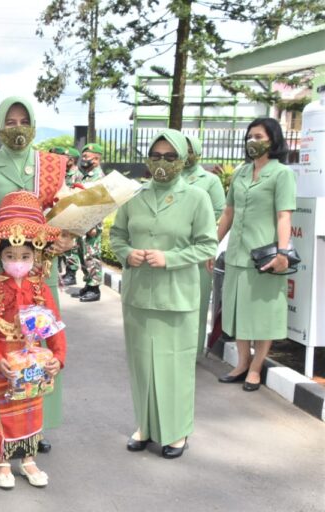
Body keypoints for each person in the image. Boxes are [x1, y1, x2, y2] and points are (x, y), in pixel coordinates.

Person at [0, 96, 73, 454]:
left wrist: (66, 237)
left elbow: (63, 217)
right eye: (9, 122)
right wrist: (6, 243)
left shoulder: (50, 166)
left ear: (34, 124)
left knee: (39, 350)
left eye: (22, 120)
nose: (17, 128)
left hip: (38, 275)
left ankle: (34, 429)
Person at [110, 129, 217, 459]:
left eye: (170, 157)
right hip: (139, 296)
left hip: (177, 297)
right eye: (156, 156)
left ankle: (176, 432)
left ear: (183, 161)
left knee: (175, 367)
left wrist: (169, 259)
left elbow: (208, 244)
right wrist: (127, 253)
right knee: (142, 364)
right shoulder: (134, 195)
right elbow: (117, 235)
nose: (162, 164)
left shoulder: (197, 197)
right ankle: (144, 425)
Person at [0, 191, 66, 488]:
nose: (17, 261)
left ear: (35, 256)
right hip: (3, 358)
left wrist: (57, 358)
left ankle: (27, 459)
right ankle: (1, 459)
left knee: (31, 407)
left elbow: (55, 327)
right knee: (3, 407)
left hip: (33, 357)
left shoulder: (40, 287)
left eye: (25, 256)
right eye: (10, 256)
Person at [213, 118, 296, 391]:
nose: (253, 141)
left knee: (262, 316)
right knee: (238, 313)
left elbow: (284, 215)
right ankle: (241, 362)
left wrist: (283, 252)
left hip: (265, 258)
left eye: (258, 136)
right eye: (249, 137)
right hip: (236, 254)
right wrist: (211, 245)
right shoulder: (240, 172)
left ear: (272, 139)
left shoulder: (282, 173)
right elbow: (228, 212)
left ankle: (256, 368)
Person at [182, 135, 226, 351]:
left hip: (198, 245)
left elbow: (219, 209)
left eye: (191, 149)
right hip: (172, 245)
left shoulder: (210, 179)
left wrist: (194, 221)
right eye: (183, 149)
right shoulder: (171, 175)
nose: (187, 153)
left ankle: (194, 348)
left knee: (197, 300)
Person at [68, 143, 106, 302]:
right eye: (83, 156)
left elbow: (101, 204)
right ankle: (88, 284)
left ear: (97, 158)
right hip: (80, 219)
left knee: (91, 254)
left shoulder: (100, 177)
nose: (83, 159)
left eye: (86, 156)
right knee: (82, 254)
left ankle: (95, 288)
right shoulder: (82, 175)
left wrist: (92, 224)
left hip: (91, 222)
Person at [52, 146, 82, 286]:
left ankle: (72, 273)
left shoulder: (78, 175)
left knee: (72, 247)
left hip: (73, 213)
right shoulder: (63, 173)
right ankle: (65, 272)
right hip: (62, 213)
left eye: (66, 158)